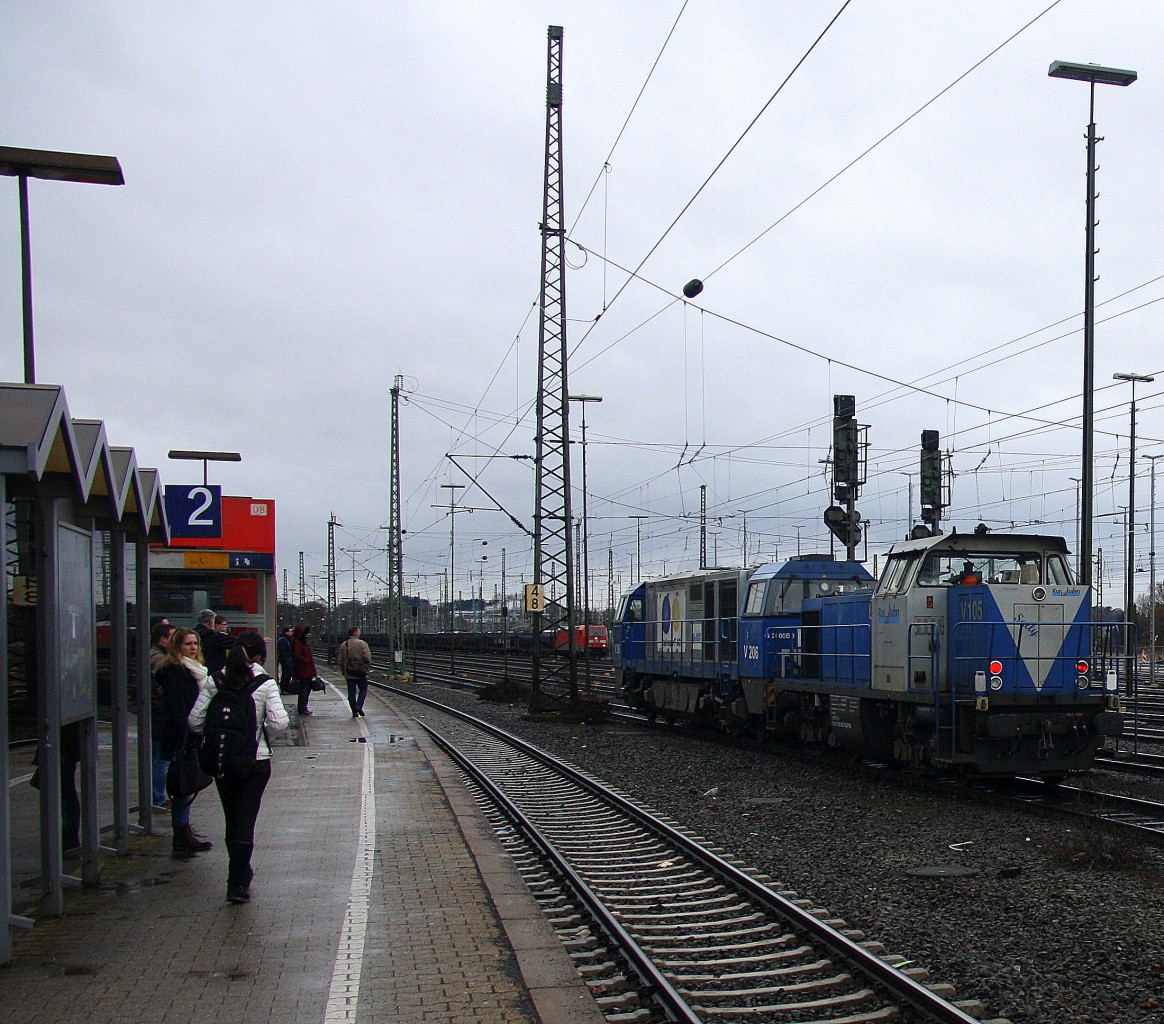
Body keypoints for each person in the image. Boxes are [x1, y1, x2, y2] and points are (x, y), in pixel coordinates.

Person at [189, 631, 288, 904]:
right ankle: (237, 882)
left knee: (232, 818)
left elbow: (195, 721)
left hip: (223, 761)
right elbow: (280, 724)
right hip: (255, 761)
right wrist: (260, 729)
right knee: (246, 819)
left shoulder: (214, 680)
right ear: (259, 656)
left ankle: (238, 876)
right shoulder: (265, 684)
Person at [156, 627, 214, 855]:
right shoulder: (175, 671)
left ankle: (184, 830)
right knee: (183, 785)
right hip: (183, 736)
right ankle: (181, 835)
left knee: (187, 785)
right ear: (177, 646)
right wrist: (187, 733)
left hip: (191, 734)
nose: (193, 648)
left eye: (195, 644)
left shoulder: (195, 669)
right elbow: (178, 708)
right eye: (188, 644)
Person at [149, 621, 176, 809]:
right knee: (161, 758)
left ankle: (155, 796)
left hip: (155, 711)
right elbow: (163, 688)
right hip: (160, 712)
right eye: (172, 637)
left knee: (156, 757)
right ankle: (157, 798)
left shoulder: (155, 655)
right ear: (163, 639)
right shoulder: (159, 660)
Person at [338, 626, 372, 718]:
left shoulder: (344, 645)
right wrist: (367, 668)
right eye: (358, 631)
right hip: (361, 672)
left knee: (351, 692)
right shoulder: (362, 644)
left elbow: (341, 660)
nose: (359, 633)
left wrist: (343, 671)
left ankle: (354, 712)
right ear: (355, 633)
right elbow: (367, 658)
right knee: (363, 689)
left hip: (349, 672)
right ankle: (359, 705)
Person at [195, 608, 233, 674]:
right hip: (214, 674)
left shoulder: (192, 634)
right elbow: (237, 642)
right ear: (211, 623)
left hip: (196, 671)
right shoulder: (214, 636)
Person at [291, 625, 317, 716]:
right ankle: (302, 708)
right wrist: (306, 659)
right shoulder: (297, 643)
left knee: (306, 689)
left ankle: (303, 707)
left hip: (307, 670)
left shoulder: (301, 642)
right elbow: (296, 655)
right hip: (303, 670)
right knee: (304, 690)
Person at [276, 626, 295, 692]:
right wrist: (287, 659)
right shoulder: (283, 640)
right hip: (286, 660)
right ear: (286, 632)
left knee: (287, 674)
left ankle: (285, 688)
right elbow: (283, 650)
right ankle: (284, 689)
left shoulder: (285, 640)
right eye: (290, 631)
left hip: (286, 659)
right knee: (286, 674)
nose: (292, 633)